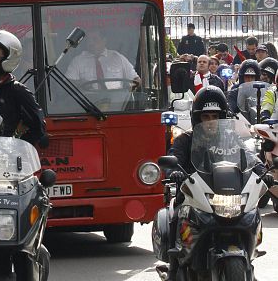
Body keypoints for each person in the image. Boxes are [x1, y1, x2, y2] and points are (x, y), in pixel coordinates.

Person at [165, 87, 270, 281]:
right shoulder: (185, 139)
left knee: (250, 212)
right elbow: (174, 157)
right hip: (194, 194)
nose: (211, 121)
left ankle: (250, 253)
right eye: (206, 116)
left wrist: (262, 171)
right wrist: (175, 171)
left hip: (223, 192)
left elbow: (249, 157)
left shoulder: (230, 137)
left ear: (223, 117)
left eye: (215, 115)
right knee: (175, 210)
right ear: (198, 118)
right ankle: (173, 268)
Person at [65, 29, 141, 89]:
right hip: (88, 104)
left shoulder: (117, 58)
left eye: (95, 39)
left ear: (104, 40)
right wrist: (80, 83)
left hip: (117, 105)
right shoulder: (78, 61)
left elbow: (136, 80)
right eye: (89, 40)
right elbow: (67, 82)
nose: (91, 43)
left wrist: (128, 93)